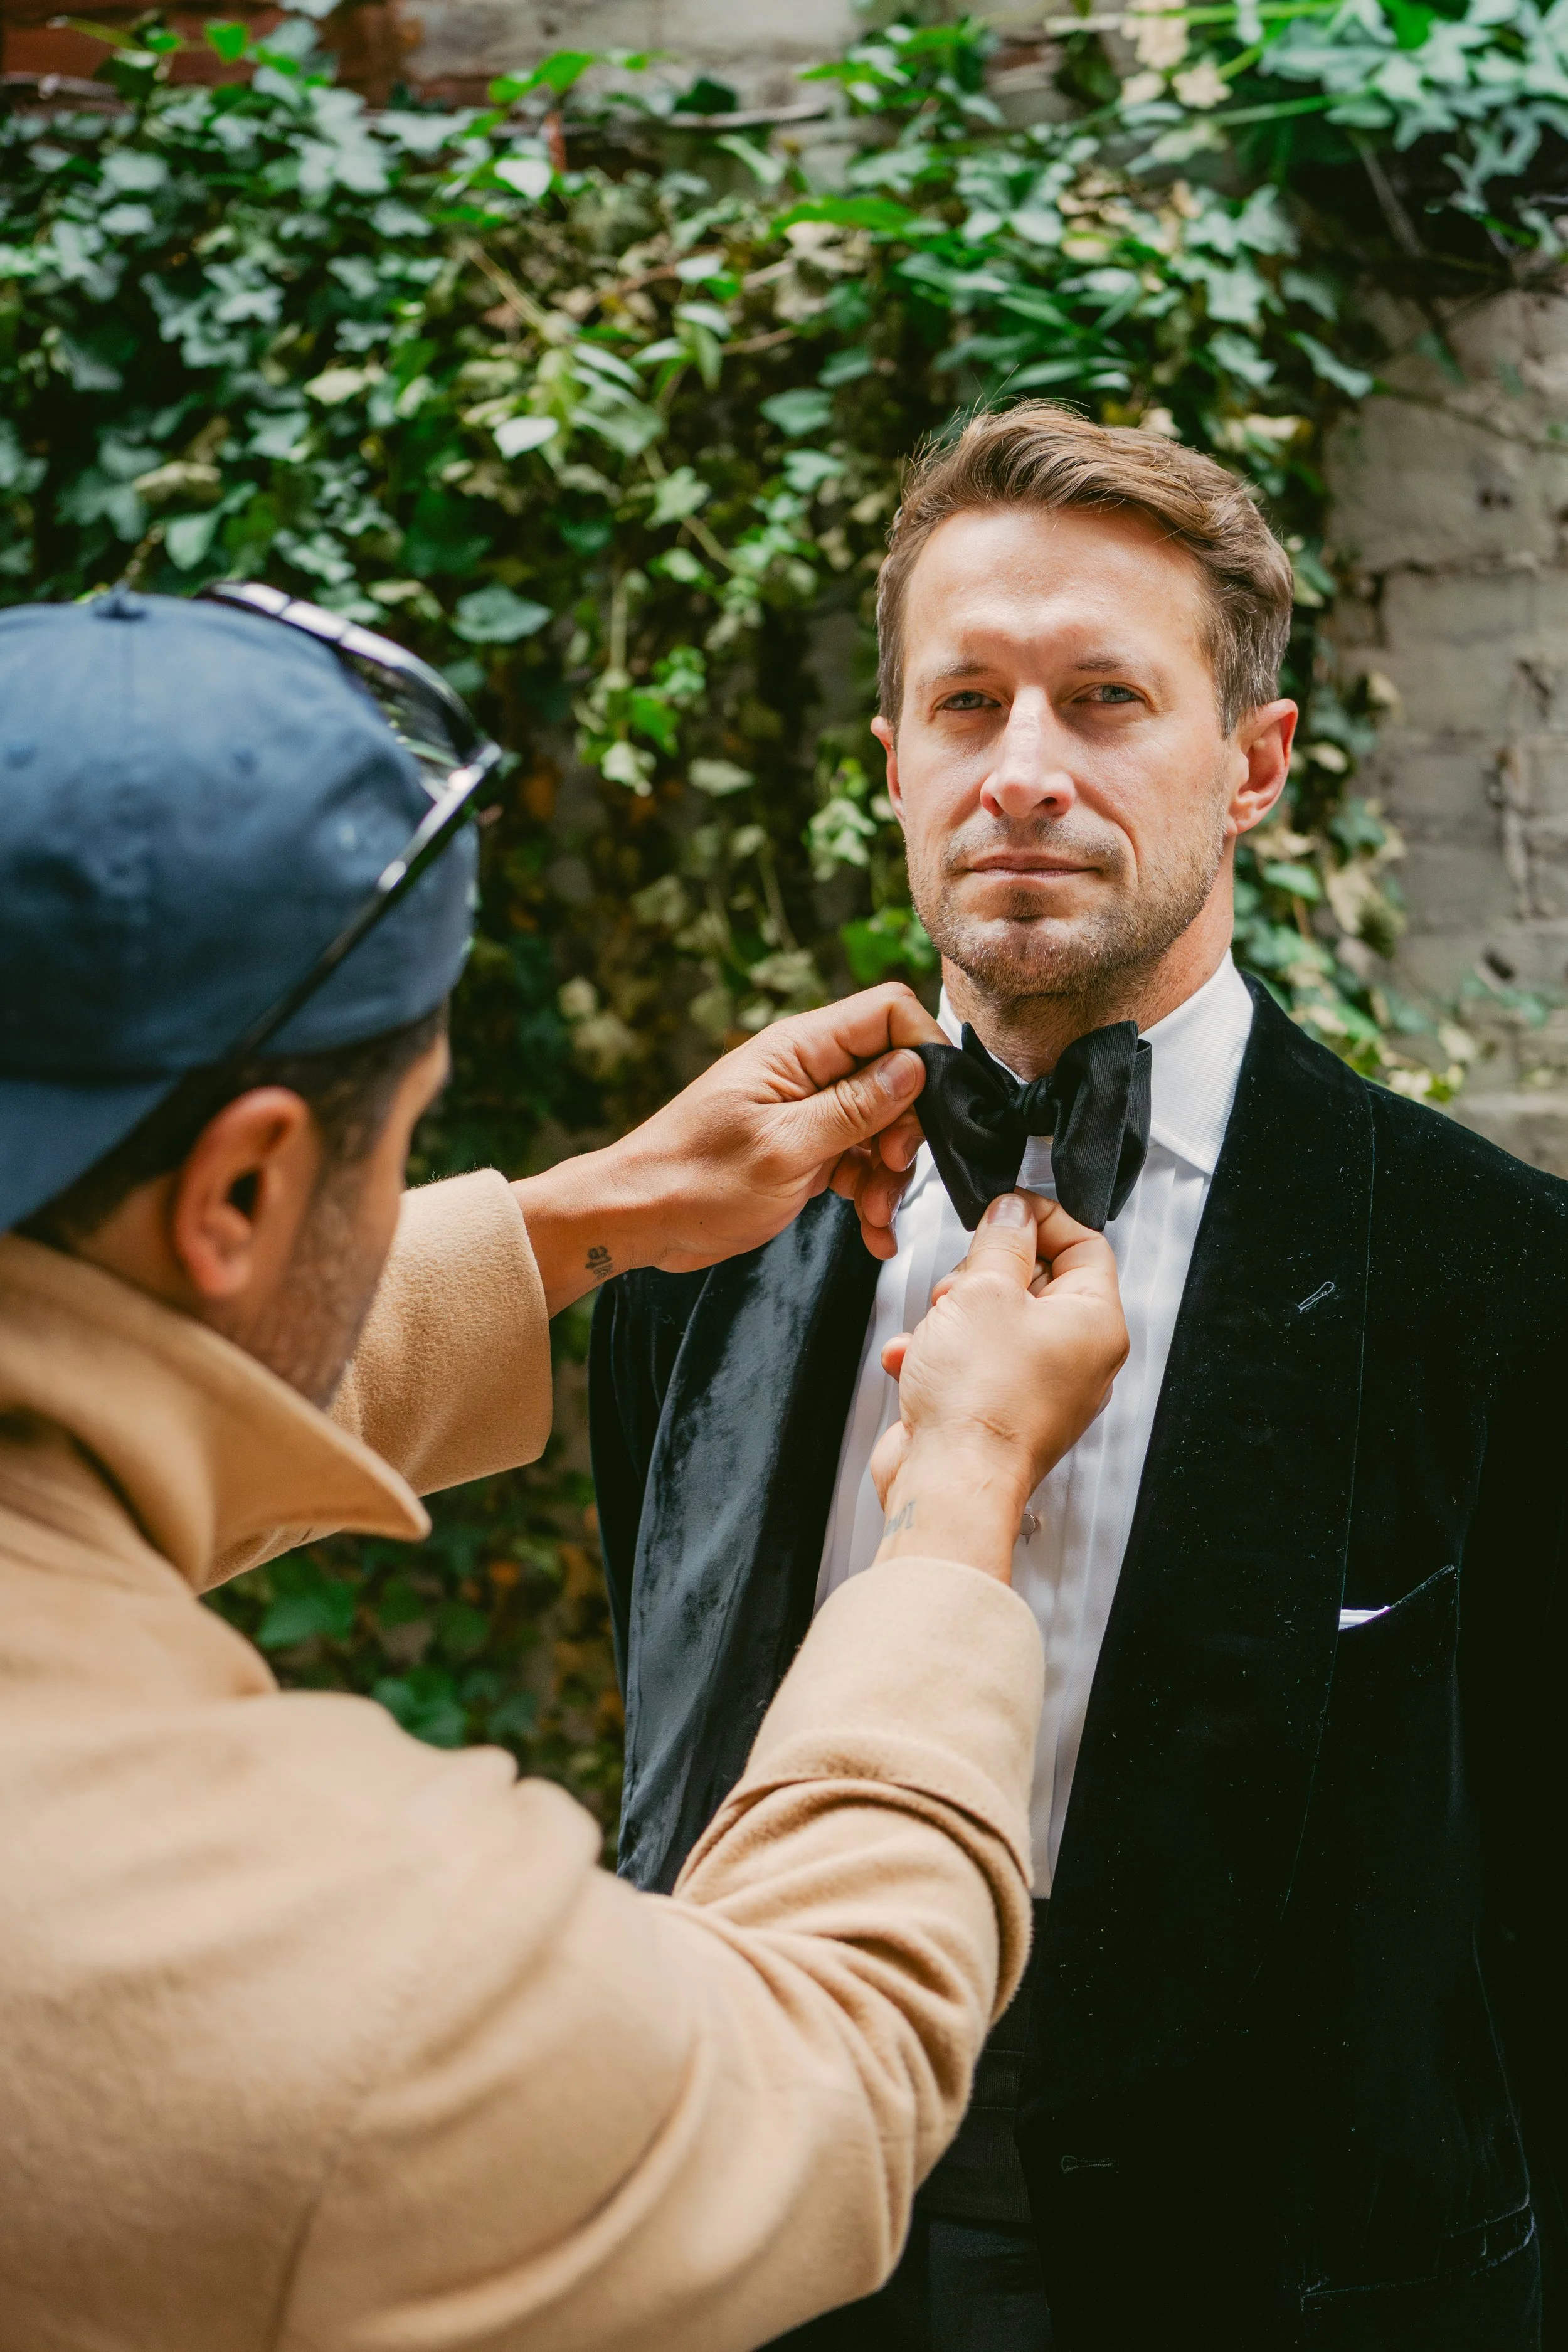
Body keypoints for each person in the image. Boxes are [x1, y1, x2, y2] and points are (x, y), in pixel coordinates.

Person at [0, 587, 1131, 2352]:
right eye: (402, 1139)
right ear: (237, 1194)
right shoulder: (317, 1951)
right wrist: (963, 1488)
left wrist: (575, 1219)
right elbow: (804, 2077)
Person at [591, 403, 1568, 2352]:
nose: (1020, 772)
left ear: (1253, 763)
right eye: (965, 705)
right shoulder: (687, 1273)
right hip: (786, 2246)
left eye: (1104, 699)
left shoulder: (1503, 1277)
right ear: (891, 765)